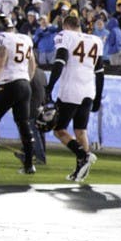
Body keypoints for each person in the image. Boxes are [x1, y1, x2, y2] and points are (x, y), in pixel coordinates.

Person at [45, 15, 103, 182]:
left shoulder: (65, 36)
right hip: (89, 91)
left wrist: (50, 86)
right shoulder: (96, 40)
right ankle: (81, 172)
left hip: (71, 91)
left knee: (58, 130)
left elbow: (60, 61)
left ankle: (83, 155)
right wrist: (98, 97)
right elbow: (99, 72)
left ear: (65, 26)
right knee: (80, 131)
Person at [0, 13, 36, 174]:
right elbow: (33, 65)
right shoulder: (25, 39)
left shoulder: (3, 38)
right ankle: (28, 165)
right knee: (24, 124)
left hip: (9, 84)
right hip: (25, 84)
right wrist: (25, 82)